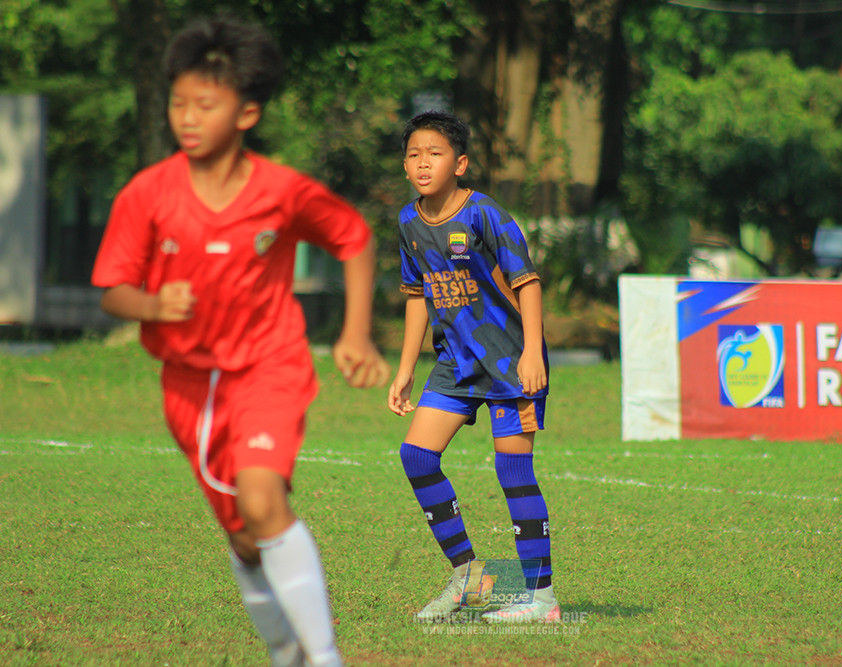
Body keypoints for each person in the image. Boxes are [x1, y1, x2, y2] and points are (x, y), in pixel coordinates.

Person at [91, 16, 389, 667]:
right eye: (178, 103)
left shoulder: (280, 192)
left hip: (268, 366)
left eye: (206, 104)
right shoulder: (149, 194)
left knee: (261, 498)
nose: (187, 117)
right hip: (189, 389)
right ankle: (288, 650)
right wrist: (151, 302)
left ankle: (326, 656)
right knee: (245, 534)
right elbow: (111, 287)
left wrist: (356, 333)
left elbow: (354, 237)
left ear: (247, 111)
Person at [387, 110, 560, 624]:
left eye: (435, 154)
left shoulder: (485, 214)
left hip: (510, 361)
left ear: (459, 164)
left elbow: (527, 281)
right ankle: (469, 575)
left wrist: (532, 351)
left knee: (513, 472)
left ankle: (540, 599)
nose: (423, 163)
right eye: (414, 155)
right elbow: (418, 295)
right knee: (417, 456)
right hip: (454, 363)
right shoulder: (407, 222)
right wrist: (405, 369)